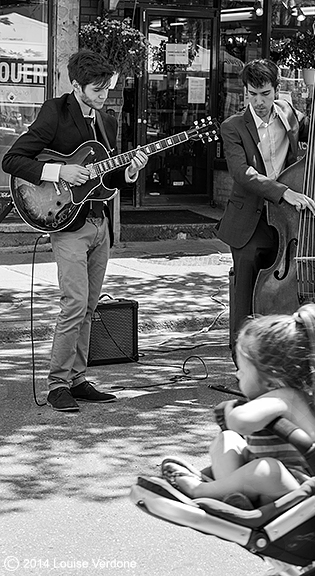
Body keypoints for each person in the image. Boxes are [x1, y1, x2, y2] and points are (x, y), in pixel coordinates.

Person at [2, 50, 148, 412]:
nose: (102, 96)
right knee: (74, 304)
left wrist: (130, 171)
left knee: (90, 306)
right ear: (76, 85)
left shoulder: (107, 122)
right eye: (96, 90)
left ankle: (78, 379)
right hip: (66, 222)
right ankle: (56, 385)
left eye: (106, 89)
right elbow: (12, 159)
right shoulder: (56, 110)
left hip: (99, 221)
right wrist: (58, 172)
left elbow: (108, 176)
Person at [215, 59, 315, 359]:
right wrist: (286, 192)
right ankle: (242, 360)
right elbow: (242, 173)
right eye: (252, 94)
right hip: (250, 221)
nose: (259, 102)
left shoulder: (289, 113)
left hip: (288, 222)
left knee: (285, 288)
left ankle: (279, 356)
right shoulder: (232, 126)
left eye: (264, 93)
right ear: (245, 93)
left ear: (276, 90)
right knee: (245, 295)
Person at [161, 303, 315, 507]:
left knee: (266, 471)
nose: (237, 375)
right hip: (269, 488)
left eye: (243, 371)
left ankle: (200, 490)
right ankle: (232, 496)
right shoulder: (277, 395)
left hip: (305, 489)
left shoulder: (288, 397)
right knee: (226, 440)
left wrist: (230, 411)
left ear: (271, 379)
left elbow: (242, 422)